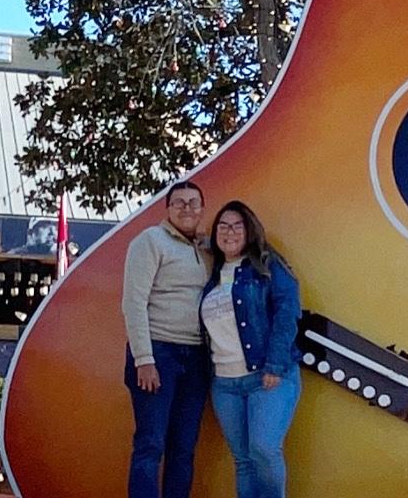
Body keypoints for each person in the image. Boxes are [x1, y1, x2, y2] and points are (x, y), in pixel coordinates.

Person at [200, 200, 302, 498]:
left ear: (250, 230)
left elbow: (287, 312)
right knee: (243, 461)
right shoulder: (213, 274)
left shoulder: (267, 266)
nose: (229, 232)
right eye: (222, 225)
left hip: (267, 377)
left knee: (264, 449)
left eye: (237, 225)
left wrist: (274, 364)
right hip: (224, 384)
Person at [122, 180, 211, 498]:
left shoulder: (207, 249)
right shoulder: (150, 241)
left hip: (198, 357)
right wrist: (143, 359)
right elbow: (133, 302)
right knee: (151, 444)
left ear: (202, 209)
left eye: (193, 203)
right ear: (167, 208)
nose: (187, 208)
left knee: (184, 448)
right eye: (179, 203)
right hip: (158, 352)